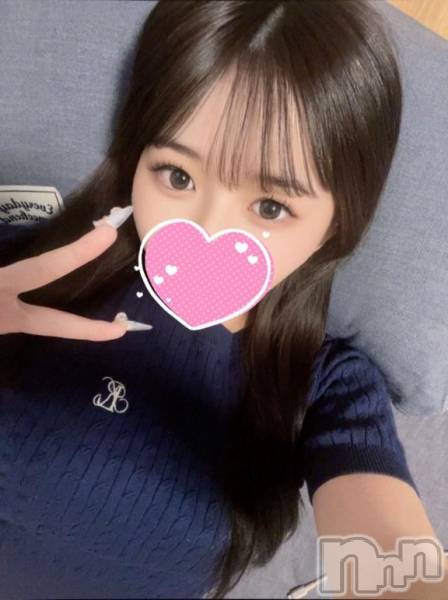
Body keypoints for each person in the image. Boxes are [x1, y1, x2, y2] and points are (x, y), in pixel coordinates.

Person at [0, 1, 446, 598]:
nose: (206, 229)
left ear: (336, 226)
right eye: (177, 176)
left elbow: (388, 548)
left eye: (271, 206)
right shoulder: (28, 271)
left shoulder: (325, 385)